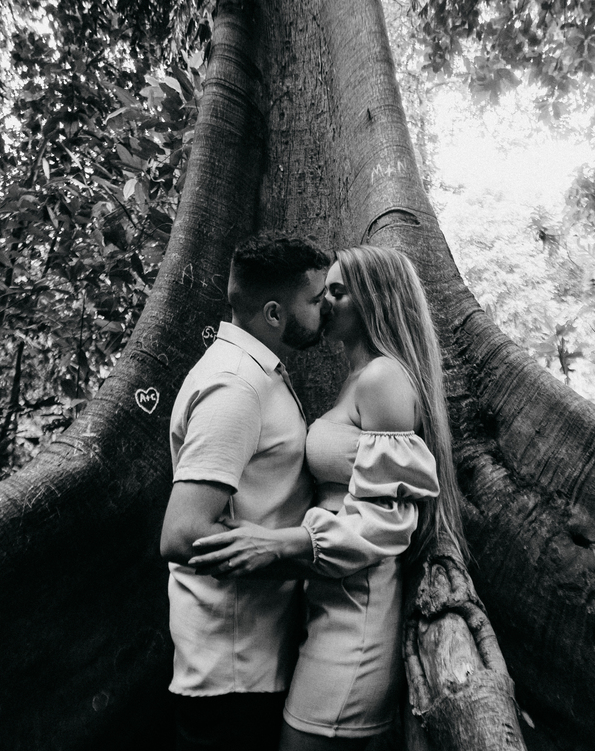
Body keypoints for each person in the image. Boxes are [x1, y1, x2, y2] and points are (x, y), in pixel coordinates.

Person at [189, 245, 467, 750]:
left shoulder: (382, 378)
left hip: (357, 617)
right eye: (323, 293)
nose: (325, 304)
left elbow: (388, 523)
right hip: (326, 603)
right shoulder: (356, 379)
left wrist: (283, 543)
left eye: (337, 292)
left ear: (376, 301)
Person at [159, 234, 332, 751]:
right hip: (231, 677)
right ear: (275, 313)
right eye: (316, 300)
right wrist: (306, 558)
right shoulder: (235, 386)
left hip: (256, 662)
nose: (326, 308)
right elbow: (182, 533)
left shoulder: (257, 372)